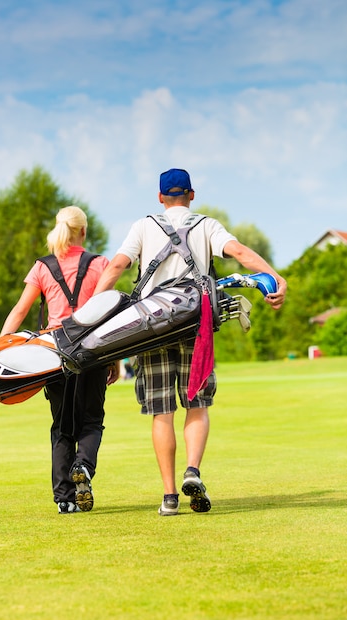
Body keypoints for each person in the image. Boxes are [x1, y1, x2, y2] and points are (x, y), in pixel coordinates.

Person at [93, 168, 287, 516]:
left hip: (150, 329)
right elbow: (240, 253)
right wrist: (276, 278)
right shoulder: (206, 225)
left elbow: (117, 266)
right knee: (197, 404)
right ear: (192, 195)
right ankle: (193, 471)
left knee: (161, 413)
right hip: (197, 328)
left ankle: (169, 497)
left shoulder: (143, 226)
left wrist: (91, 314)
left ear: (160, 197)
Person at [0, 206, 119, 514]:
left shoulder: (42, 267)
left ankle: (64, 499)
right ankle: (84, 465)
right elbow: (110, 314)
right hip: (93, 351)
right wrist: (115, 359)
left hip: (53, 355)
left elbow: (19, 311)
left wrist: (0, 348)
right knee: (91, 420)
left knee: (62, 426)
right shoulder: (100, 264)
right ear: (83, 231)